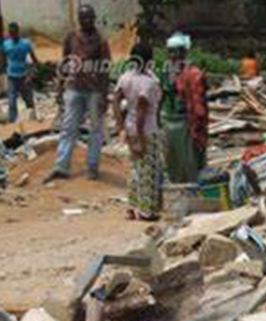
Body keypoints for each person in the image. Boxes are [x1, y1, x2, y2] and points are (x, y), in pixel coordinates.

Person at [45, 4, 111, 182]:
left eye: (90, 17)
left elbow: (105, 70)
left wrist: (104, 96)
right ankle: (61, 166)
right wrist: (60, 87)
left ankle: (92, 166)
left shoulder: (101, 40)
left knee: (96, 130)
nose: (87, 21)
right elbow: (65, 62)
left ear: (94, 18)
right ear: (79, 20)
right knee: (68, 127)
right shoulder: (71, 37)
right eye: (84, 18)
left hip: (94, 91)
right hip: (74, 88)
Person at [113, 42, 163, 221]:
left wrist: (121, 128)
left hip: (130, 127)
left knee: (135, 169)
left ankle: (132, 208)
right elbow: (142, 111)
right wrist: (140, 140)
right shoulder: (148, 83)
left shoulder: (125, 78)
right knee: (148, 171)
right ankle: (146, 211)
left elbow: (115, 102)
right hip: (146, 130)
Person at [161, 32, 208, 184]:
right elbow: (162, 93)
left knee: (189, 161)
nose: (173, 56)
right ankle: (177, 186)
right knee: (173, 159)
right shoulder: (166, 71)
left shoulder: (193, 73)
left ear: (184, 52)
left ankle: (191, 188)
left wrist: (197, 126)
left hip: (186, 122)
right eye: (170, 52)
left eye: (176, 52)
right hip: (169, 120)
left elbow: (198, 104)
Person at [2, 22, 39, 123]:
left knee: (29, 101)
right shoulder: (6, 45)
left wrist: (31, 74)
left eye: (14, 32)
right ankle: (12, 123)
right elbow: (3, 61)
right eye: (10, 33)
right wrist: (4, 72)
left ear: (18, 32)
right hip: (11, 77)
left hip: (24, 77)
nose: (12, 35)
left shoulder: (26, 44)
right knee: (12, 102)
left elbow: (35, 60)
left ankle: (33, 121)